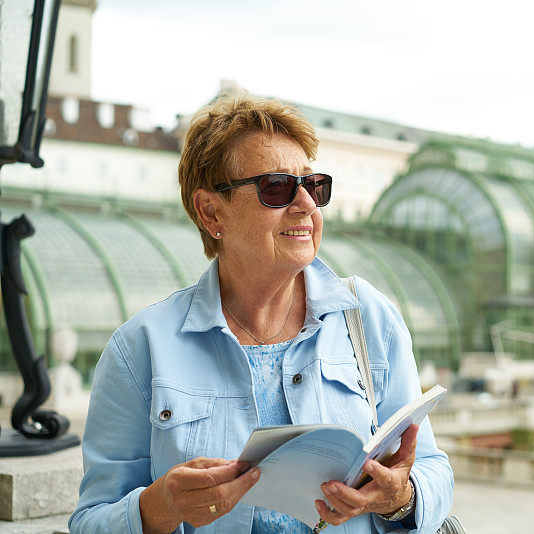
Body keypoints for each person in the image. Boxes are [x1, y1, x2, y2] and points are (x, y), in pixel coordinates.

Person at [69, 90, 454, 533]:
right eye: (277, 187)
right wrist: (160, 506)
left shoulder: (369, 318)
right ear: (211, 211)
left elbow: (431, 469)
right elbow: (90, 522)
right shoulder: (140, 349)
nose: (307, 204)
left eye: (313, 185)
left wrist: (401, 497)